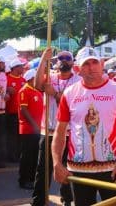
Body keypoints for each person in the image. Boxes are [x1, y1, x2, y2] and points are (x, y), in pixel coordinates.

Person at [52, 46, 116, 205]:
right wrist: (57, 163)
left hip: (113, 169)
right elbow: (59, 132)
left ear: (102, 64)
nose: (91, 68)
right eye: (86, 64)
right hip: (79, 171)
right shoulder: (69, 93)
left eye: (94, 62)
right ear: (77, 68)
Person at [32, 49, 80, 206]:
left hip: (70, 133)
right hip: (48, 131)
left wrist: (55, 93)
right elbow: (37, 84)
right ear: (56, 62)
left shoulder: (78, 82)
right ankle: (38, 201)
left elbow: (72, 104)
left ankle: (67, 198)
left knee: (67, 168)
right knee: (43, 169)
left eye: (67, 58)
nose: (64, 61)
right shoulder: (50, 77)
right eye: (60, 58)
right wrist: (43, 60)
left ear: (72, 62)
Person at [17, 69, 43, 190]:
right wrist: (34, 125)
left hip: (36, 129)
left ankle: (32, 178)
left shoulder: (36, 90)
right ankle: (23, 180)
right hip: (28, 129)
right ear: (32, 78)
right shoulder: (24, 90)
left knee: (34, 155)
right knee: (27, 155)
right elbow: (23, 109)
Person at [5, 58, 26, 162]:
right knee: (12, 136)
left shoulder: (23, 80)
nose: (23, 68)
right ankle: (11, 156)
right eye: (21, 66)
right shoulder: (6, 78)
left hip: (22, 113)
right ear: (16, 68)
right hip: (10, 113)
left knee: (19, 136)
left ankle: (18, 155)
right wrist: (6, 90)